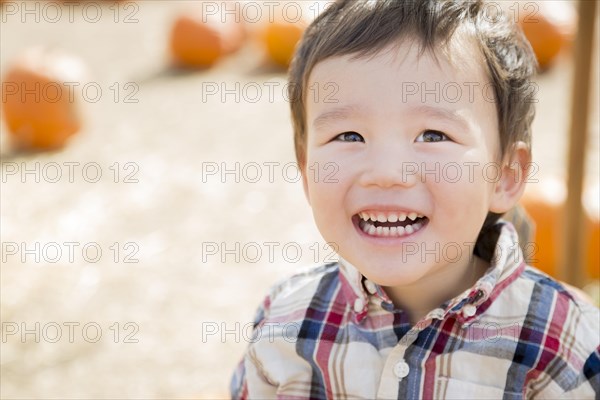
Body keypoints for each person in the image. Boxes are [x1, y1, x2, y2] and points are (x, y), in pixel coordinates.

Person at [230, 0, 600, 398]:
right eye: (349, 136)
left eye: (432, 136)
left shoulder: (561, 342)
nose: (388, 173)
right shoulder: (285, 324)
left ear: (505, 174)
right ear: (306, 172)